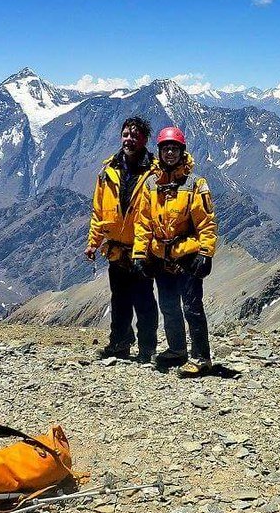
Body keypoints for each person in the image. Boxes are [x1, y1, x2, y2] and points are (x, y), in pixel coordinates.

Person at [132, 126, 217, 377]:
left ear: (182, 152)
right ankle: (177, 350)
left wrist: (206, 252)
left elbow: (206, 222)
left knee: (192, 307)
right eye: (165, 148)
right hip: (161, 256)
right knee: (169, 306)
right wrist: (139, 254)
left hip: (188, 255)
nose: (170, 152)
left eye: (175, 148)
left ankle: (201, 357)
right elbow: (143, 223)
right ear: (159, 152)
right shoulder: (150, 185)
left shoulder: (195, 184)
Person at [85, 116, 159, 362]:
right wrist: (93, 242)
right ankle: (120, 343)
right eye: (126, 134)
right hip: (116, 250)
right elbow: (99, 211)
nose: (129, 139)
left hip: (143, 250)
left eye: (135, 135)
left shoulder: (155, 172)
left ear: (145, 140)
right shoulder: (108, 171)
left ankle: (148, 348)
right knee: (120, 300)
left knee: (144, 301)